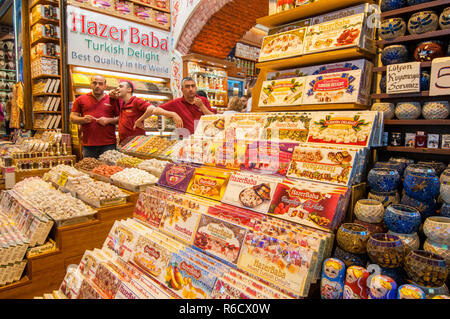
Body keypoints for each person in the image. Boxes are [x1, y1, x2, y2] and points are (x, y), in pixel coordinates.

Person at [134, 77, 216, 135]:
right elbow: (155, 110)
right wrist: (173, 114)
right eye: (187, 86)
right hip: (185, 141)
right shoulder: (177, 103)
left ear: (196, 87)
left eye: (193, 86)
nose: (191, 89)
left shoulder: (203, 100)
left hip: (204, 139)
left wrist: (202, 106)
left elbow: (214, 118)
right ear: (182, 90)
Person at [110, 80, 183, 143]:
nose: (117, 88)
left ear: (129, 89)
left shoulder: (136, 101)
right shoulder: (122, 103)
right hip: (123, 143)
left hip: (136, 143)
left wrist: (139, 120)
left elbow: (151, 109)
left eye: (120, 86)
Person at [69, 75, 119, 158]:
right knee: (89, 169)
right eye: (94, 83)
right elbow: (72, 118)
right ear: (90, 84)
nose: (97, 86)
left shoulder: (112, 99)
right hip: (88, 144)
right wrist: (83, 119)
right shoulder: (80, 99)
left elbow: (120, 118)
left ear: (105, 86)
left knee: (109, 169)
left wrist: (108, 120)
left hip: (109, 144)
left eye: (100, 84)